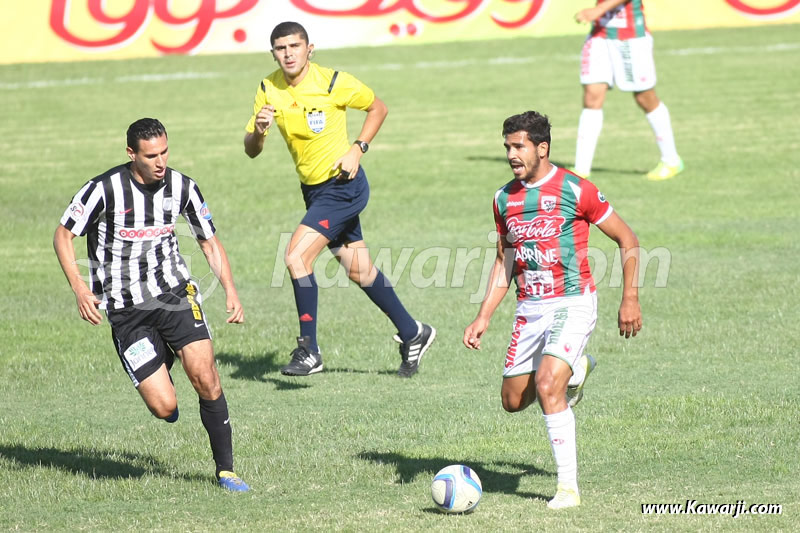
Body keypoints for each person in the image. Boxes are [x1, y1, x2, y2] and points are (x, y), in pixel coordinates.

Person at [54, 118, 249, 492]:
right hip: (126, 311)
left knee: (206, 376)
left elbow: (209, 242)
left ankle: (226, 471)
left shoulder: (183, 187)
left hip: (175, 295)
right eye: (151, 156)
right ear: (132, 154)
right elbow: (63, 235)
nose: (161, 162)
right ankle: (163, 359)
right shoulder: (103, 189)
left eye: (165, 152)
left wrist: (231, 290)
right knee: (164, 407)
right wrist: (79, 287)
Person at [463, 111, 642, 509]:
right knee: (512, 402)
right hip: (530, 307)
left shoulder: (576, 189)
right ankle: (576, 370)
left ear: (542, 148)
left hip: (573, 301)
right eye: (507, 147)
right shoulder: (503, 198)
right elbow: (504, 260)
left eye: (519, 146)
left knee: (547, 386)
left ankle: (567, 489)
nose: (511, 154)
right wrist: (484, 315)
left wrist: (629, 297)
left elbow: (627, 239)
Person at [243, 21, 435, 377]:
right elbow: (252, 150)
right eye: (281, 48)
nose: (288, 54)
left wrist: (357, 149)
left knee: (296, 257)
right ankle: (413, 332)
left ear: (309, 49)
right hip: (314, 191)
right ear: (273, 53)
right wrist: (258, 130)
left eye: (294, 46)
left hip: (344, 186)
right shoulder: (268, 88)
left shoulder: (333, 82)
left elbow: (378, 108)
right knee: (359, 269)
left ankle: (309, 350)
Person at [573, 0, 683, 181]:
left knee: (644, 98)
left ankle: (671, 160)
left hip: (631, 36)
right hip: (599, 34)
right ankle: (581, 168)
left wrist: (599, 9)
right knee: (592, 96)